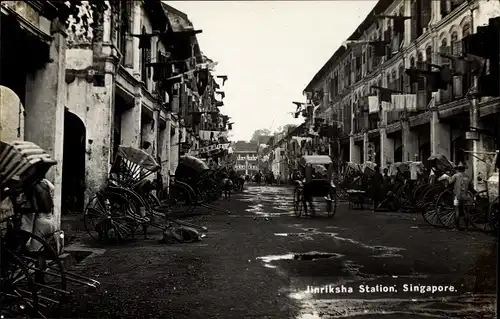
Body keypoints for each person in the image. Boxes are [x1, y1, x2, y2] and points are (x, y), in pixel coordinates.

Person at [448, 162, 473, 230]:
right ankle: (466, 227)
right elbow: (470, 185)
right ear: (464, 169)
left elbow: (450, 182)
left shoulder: (455, 176)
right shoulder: (467, 177)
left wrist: (448, 177)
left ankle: (457, 227)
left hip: (457, 196)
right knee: (465, 211)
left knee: (457, 211)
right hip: (465, 196)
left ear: (458, 169)